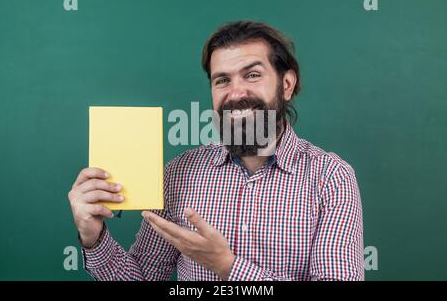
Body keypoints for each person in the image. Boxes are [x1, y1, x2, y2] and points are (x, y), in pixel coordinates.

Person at [68, 20, 364, 281]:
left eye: (252, 75)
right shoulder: (179, 173)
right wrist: (94, 238)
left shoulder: (331, 177)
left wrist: (227, 266)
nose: (235, 93)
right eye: (222, 80)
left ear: (286, 84)